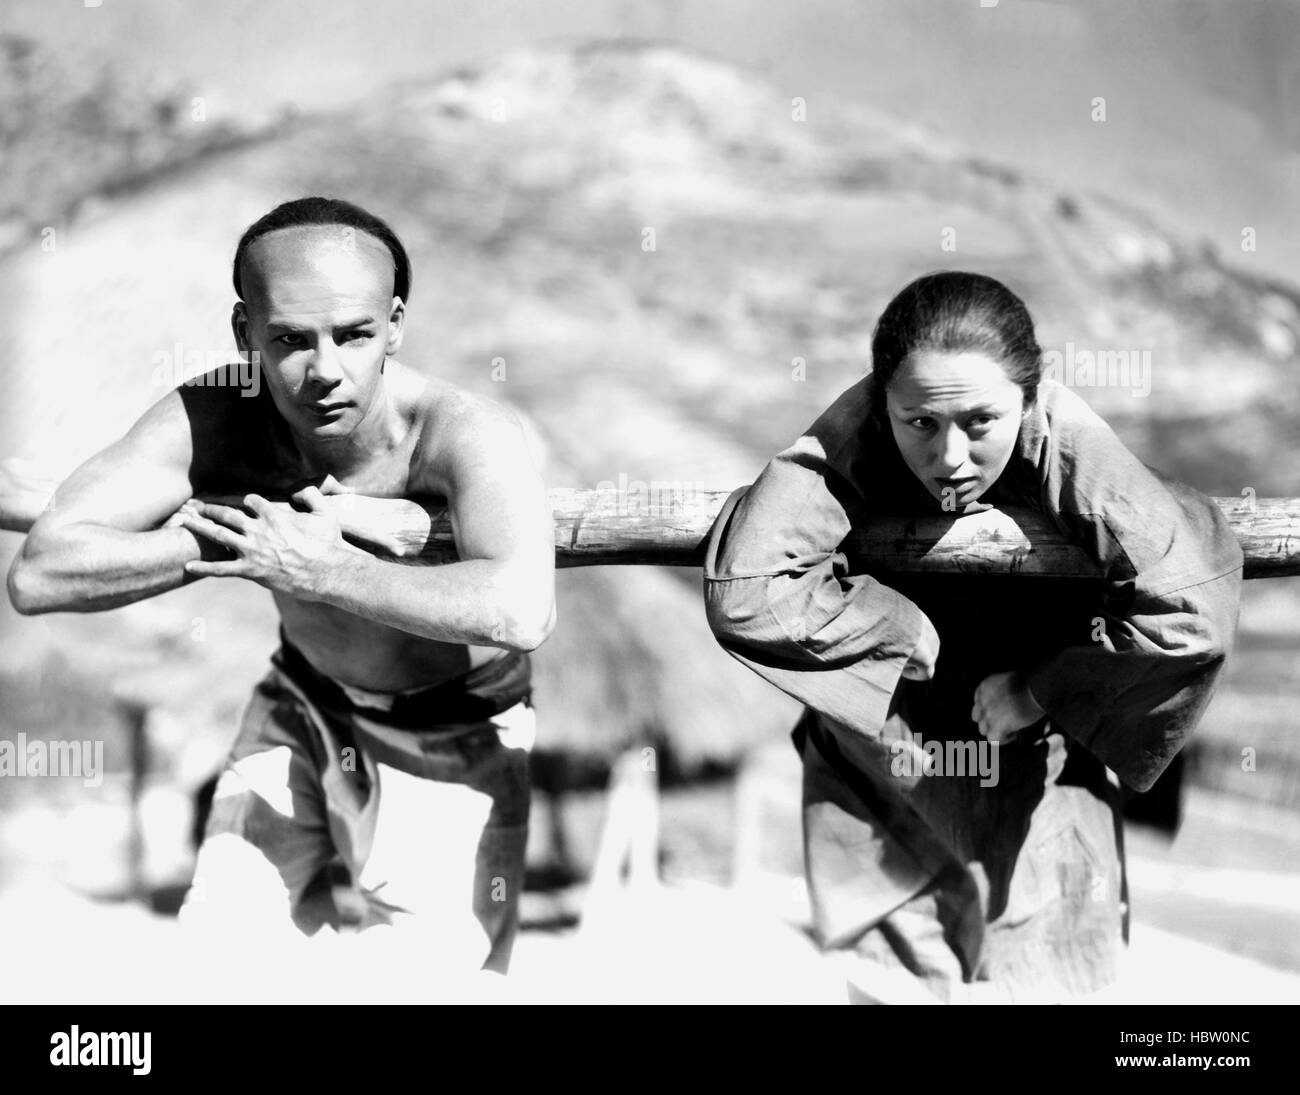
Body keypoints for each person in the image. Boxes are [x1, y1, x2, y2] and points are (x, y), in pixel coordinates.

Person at [8, 197, 556, 974]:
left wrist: (324, 569)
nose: (325, 369)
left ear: (395, 324)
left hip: (456, 728)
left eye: (355, 335)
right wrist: (230, 538)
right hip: (301, 700)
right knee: (217, 967)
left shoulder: (461, 430)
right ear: (245, 334)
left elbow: (522, 606)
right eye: (291, 340)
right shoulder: (218, 416)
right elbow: (40, 572)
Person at [702, 271, 1242, 1002]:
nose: (950, 455)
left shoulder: (1067, 437)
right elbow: (748, 587)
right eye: (918, 422)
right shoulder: (863, 424)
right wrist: (897, 633)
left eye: (981, 422)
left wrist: (1041, 690)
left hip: (1040, 781)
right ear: (882, 399)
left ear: (1029, 395)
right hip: (884, 772)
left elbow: (1190, 606)